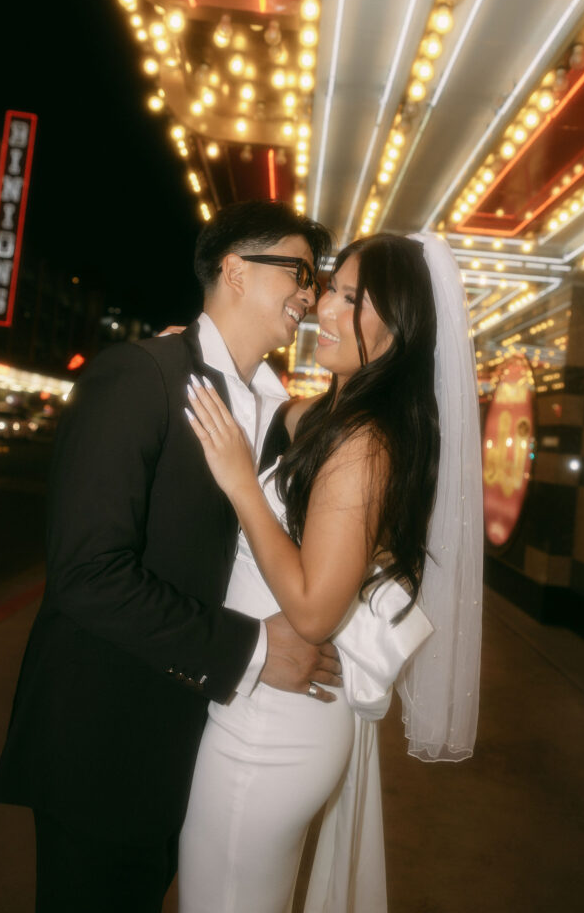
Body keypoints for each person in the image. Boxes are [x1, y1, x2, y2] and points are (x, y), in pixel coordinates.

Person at [0, 200, 341, 913]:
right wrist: (251, 650)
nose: (310, 293)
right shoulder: (138, 376)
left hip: (199, 751)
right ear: (234, 271)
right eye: (298, 272)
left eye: (317, 278)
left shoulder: (271, 409)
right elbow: (87, 574)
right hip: (104, 742)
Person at [179, 231, 483, 912]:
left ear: (401, 325)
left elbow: (315, 611)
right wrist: (197, 346)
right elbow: (265, 402)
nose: (326, 308)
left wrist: (241, 486)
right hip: (272, 708)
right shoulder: (333, 417)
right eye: (330, 290)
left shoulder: (366, 441)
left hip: (270, 730)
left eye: (353, 298)